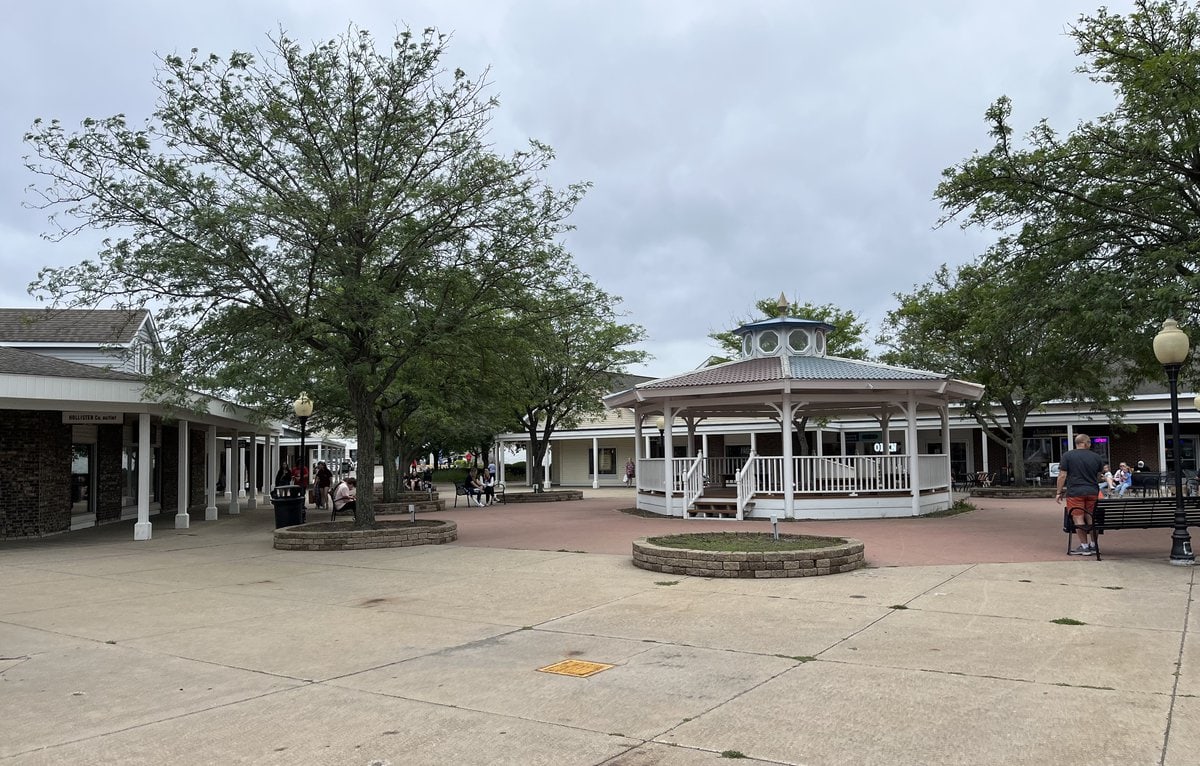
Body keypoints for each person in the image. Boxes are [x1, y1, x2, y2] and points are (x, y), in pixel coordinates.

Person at [1056, 433, 1106, 555]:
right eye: (1089, 442)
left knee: (1078, 517)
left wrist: (1059, 492)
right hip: (1093, 492)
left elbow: (1062, 475)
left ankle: (1084, 547)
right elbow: (1098, 476)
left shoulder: (1067, 456)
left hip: (1075, 492)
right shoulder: (1097, 457)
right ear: (1085, 443)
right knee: (1091, 516)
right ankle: (1094, 545)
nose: (1090, 444)